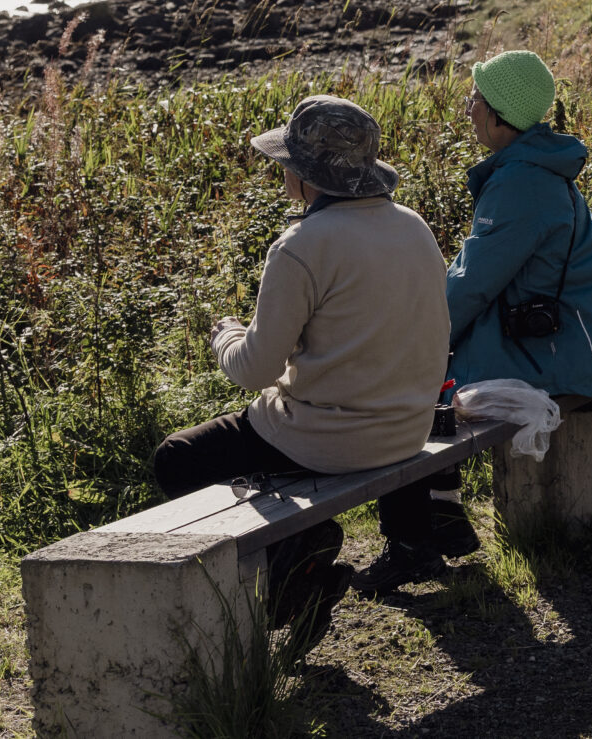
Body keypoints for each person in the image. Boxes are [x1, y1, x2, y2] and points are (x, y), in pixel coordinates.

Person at [149, 93, 451, 636]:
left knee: (177, 457)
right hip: (407, 429)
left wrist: (225, 335)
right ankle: (301, 552)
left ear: (308, 177)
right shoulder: (413, 226)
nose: (282, 173)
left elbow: (254, 371)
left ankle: (290, 566)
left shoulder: (302, 245)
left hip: (326, 440)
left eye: (287, 164)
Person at [446, 48, 592, 405]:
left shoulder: (521, 184)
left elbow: (472, 284)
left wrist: (416, 338)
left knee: (423, 387)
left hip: (572, 362)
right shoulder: (535, 169)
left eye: (474, 99)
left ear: (500, 115)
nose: (468, 110)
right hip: (581, 350)